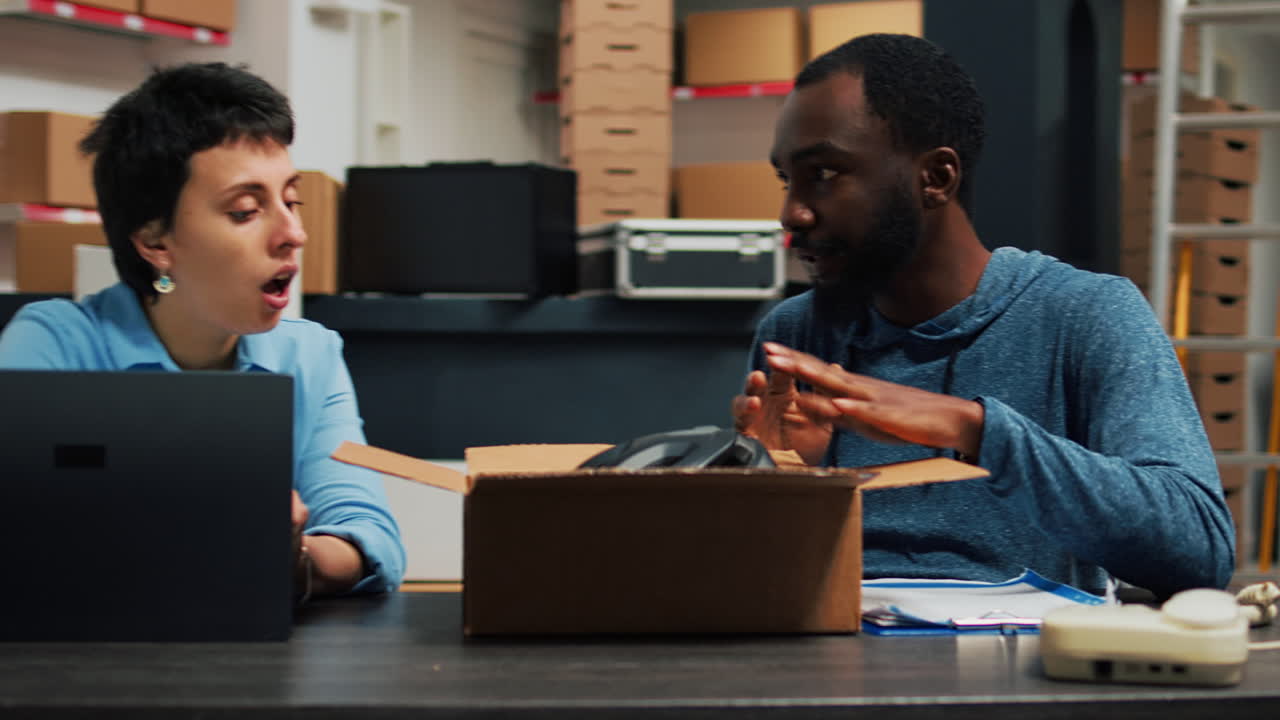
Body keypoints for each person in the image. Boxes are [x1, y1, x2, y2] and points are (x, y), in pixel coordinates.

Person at [731, 34, 1234, 599]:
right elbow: (754, 581)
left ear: (936, 178)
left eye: (824, 173)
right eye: (787, 180)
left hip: (1010, 674)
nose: (791, 213)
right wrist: (777, 483)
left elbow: (1199, 549)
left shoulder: (1085, 314)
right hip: (833, 668)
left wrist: (974, 430)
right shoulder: (796, 334)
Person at [0, 62, 406, 599]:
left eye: (291, 200)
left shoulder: (308, 355)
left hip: (253, 667)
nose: (294, 234)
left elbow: (370, 536)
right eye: (245, 210)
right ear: (156, 242)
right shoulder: (51, 346)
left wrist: (294, 557)